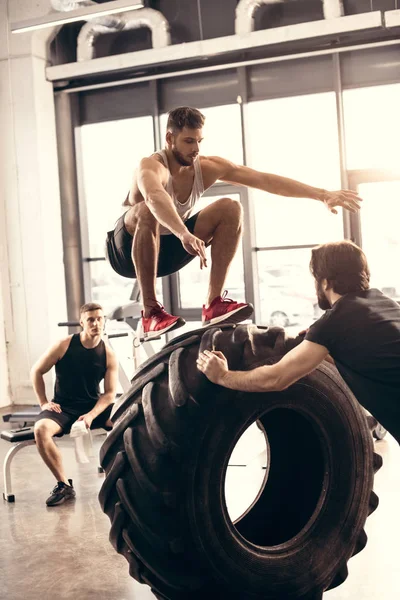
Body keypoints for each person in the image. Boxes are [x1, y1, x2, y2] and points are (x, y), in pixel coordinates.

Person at [106, 106, 362, 340]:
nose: (195, 149)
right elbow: (154, 196)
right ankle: (150, 312)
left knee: (230, 208)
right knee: (146, 209)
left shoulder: (206, 167)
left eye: (198, 141)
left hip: (169, 249)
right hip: (126, 252)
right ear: (169, 138)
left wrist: (322, 194)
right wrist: (184, 233)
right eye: (188, 141)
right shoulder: (151, 166)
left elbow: (265, 180)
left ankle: (213, 303)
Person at [197, 240, 400, 445]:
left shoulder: (334, 322)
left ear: (325, 282)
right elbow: (367, 355)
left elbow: (276, 379)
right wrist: (319, 345)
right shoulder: (385, 303)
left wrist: (223, 375)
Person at [31, 303, 118, 506]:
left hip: (92, 407)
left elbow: (110, 394)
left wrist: (91, 415)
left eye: (99, 318)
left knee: (128, 420)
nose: (96, 323)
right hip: (63, 407)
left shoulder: (108, 353)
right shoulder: (64, 344)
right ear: (82, 323)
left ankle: (128, 478)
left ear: (104, 320)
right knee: (41, 430)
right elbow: (36, 371)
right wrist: (44, 403)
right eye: (90, 319)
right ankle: (64, 486)